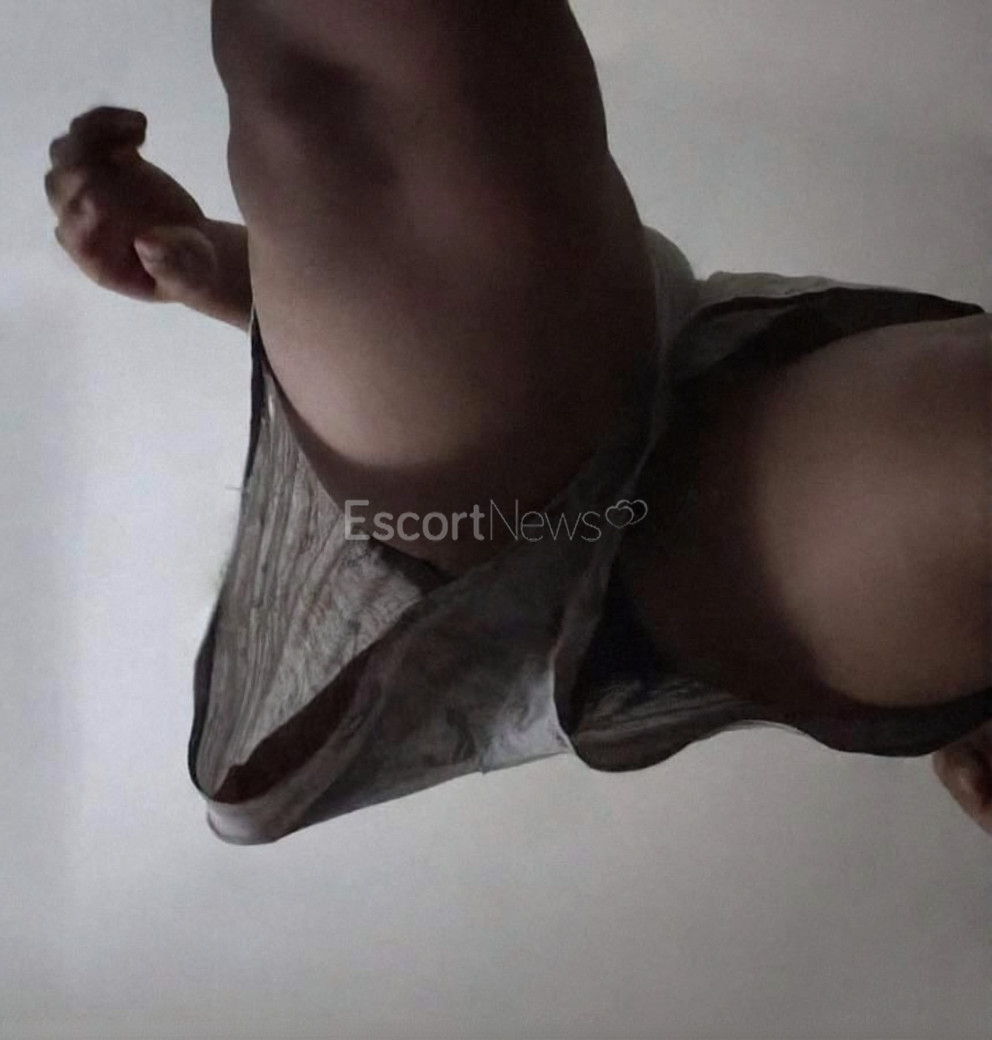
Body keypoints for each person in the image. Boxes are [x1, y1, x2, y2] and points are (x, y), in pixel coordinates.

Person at [44, 0, 991, 843]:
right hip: (713, 436)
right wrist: (236, 276)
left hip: (605, 523)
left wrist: (241, 279)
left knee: (320, 78)